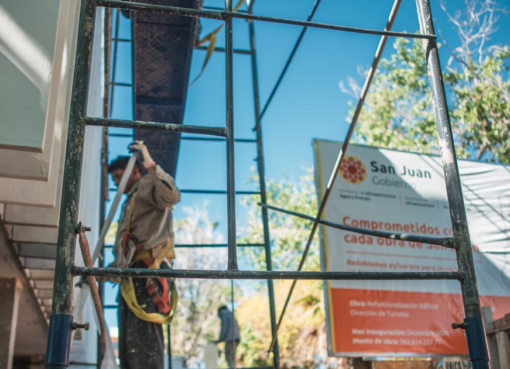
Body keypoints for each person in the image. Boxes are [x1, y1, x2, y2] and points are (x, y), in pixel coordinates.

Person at [107, 141, 180, 369]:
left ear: (134, 171)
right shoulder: (131, 200)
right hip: (132, 271)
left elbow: (171, 196)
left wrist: (149, 162)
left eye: (119, 176)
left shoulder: (148, 183)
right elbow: (129, 244)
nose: (117, 182)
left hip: (148, 271)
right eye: (114, 179)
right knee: (130, 347)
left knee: (144, 345)